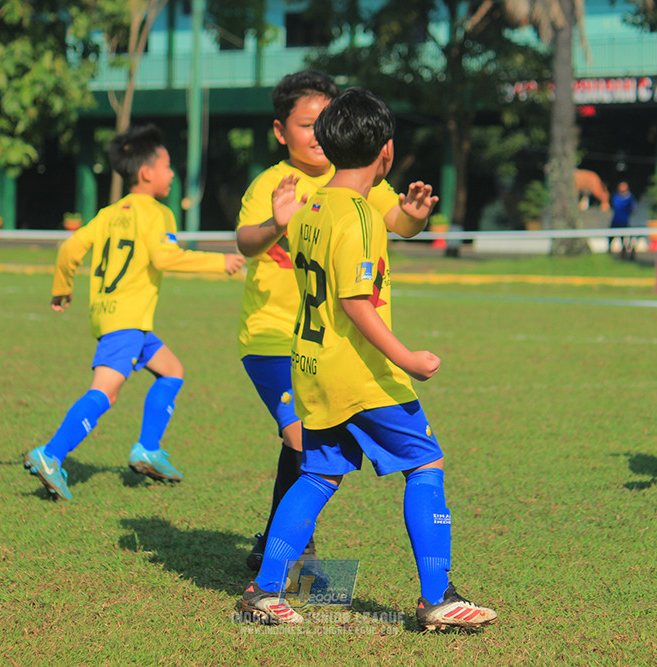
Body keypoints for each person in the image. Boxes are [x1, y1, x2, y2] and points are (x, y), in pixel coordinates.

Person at [238, 88, 496, 631]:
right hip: (360, 374)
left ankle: (264, 591)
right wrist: (408, 358)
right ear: (387, 152)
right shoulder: (359, 216)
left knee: (317, 475)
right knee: (425, 462)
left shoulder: (310, 206)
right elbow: (356, 302)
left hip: (311, 366)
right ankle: (438, 598)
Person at [235, 71, 438, 569]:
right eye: (306, 124)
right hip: (274, 336)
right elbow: (246, 242)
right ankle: (290, 559)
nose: (315, 134)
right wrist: (275, 223)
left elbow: (400, 223)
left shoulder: (351, 182)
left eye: (322, 122)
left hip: (325, 341)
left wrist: (414, 215)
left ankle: (275, 556)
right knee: (303, 443)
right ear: (281, 131)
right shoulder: (277, 184)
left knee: (314, 459)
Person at [24, 124, 245, 500]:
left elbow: (70, 249)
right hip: (126, 322)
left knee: (172, 370)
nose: (172, 174)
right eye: (167, 167)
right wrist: (218, 261)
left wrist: (63, 287)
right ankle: (51, 454)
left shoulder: (109, 213)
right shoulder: (158, 213)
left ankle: (148, 450)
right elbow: (165, 257)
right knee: (104, 393)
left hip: (116, 318)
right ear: (146, 172)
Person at [609, 181, 636, 258]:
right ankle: (609, 251)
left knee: (624, 238)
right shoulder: (616, 197)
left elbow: (632, 209)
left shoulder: (630, 198)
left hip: (624, 221)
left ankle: (624, 252)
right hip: (615, 221)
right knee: (611, 236)